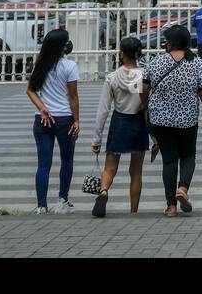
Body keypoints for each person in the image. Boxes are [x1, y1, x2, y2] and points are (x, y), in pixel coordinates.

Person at [141, 25, 202, 217]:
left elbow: (144, 89)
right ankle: (182, 189)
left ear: (172, 43)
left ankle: (171, 207)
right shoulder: (197, 63)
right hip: (187, 120)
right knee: (188, 156)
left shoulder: (156, 62)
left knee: (169, 160)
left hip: (160, 120)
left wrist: (146, 107)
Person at [90, 36, 149, 218]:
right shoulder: (144, 76)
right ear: (139, 54)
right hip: (138, 122)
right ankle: (134, 210)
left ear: (120, 54)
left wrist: (96, 139)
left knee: (110, 167)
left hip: (119, 122)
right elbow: (149, 106)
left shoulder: (112, 77)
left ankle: (104, 191)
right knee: (136, 171)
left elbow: (103, 110)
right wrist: (155, 137)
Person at [26, 29, 81, 214]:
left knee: (43, 164)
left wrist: (42, 108)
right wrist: (77, 121)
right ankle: (62, 200)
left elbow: (30, 90)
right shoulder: (70, 66)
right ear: (62, 46)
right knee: (67, 159)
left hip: (42, 120)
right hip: (64, 119)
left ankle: (41, 205)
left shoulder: (41, 65)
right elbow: (73, 96)